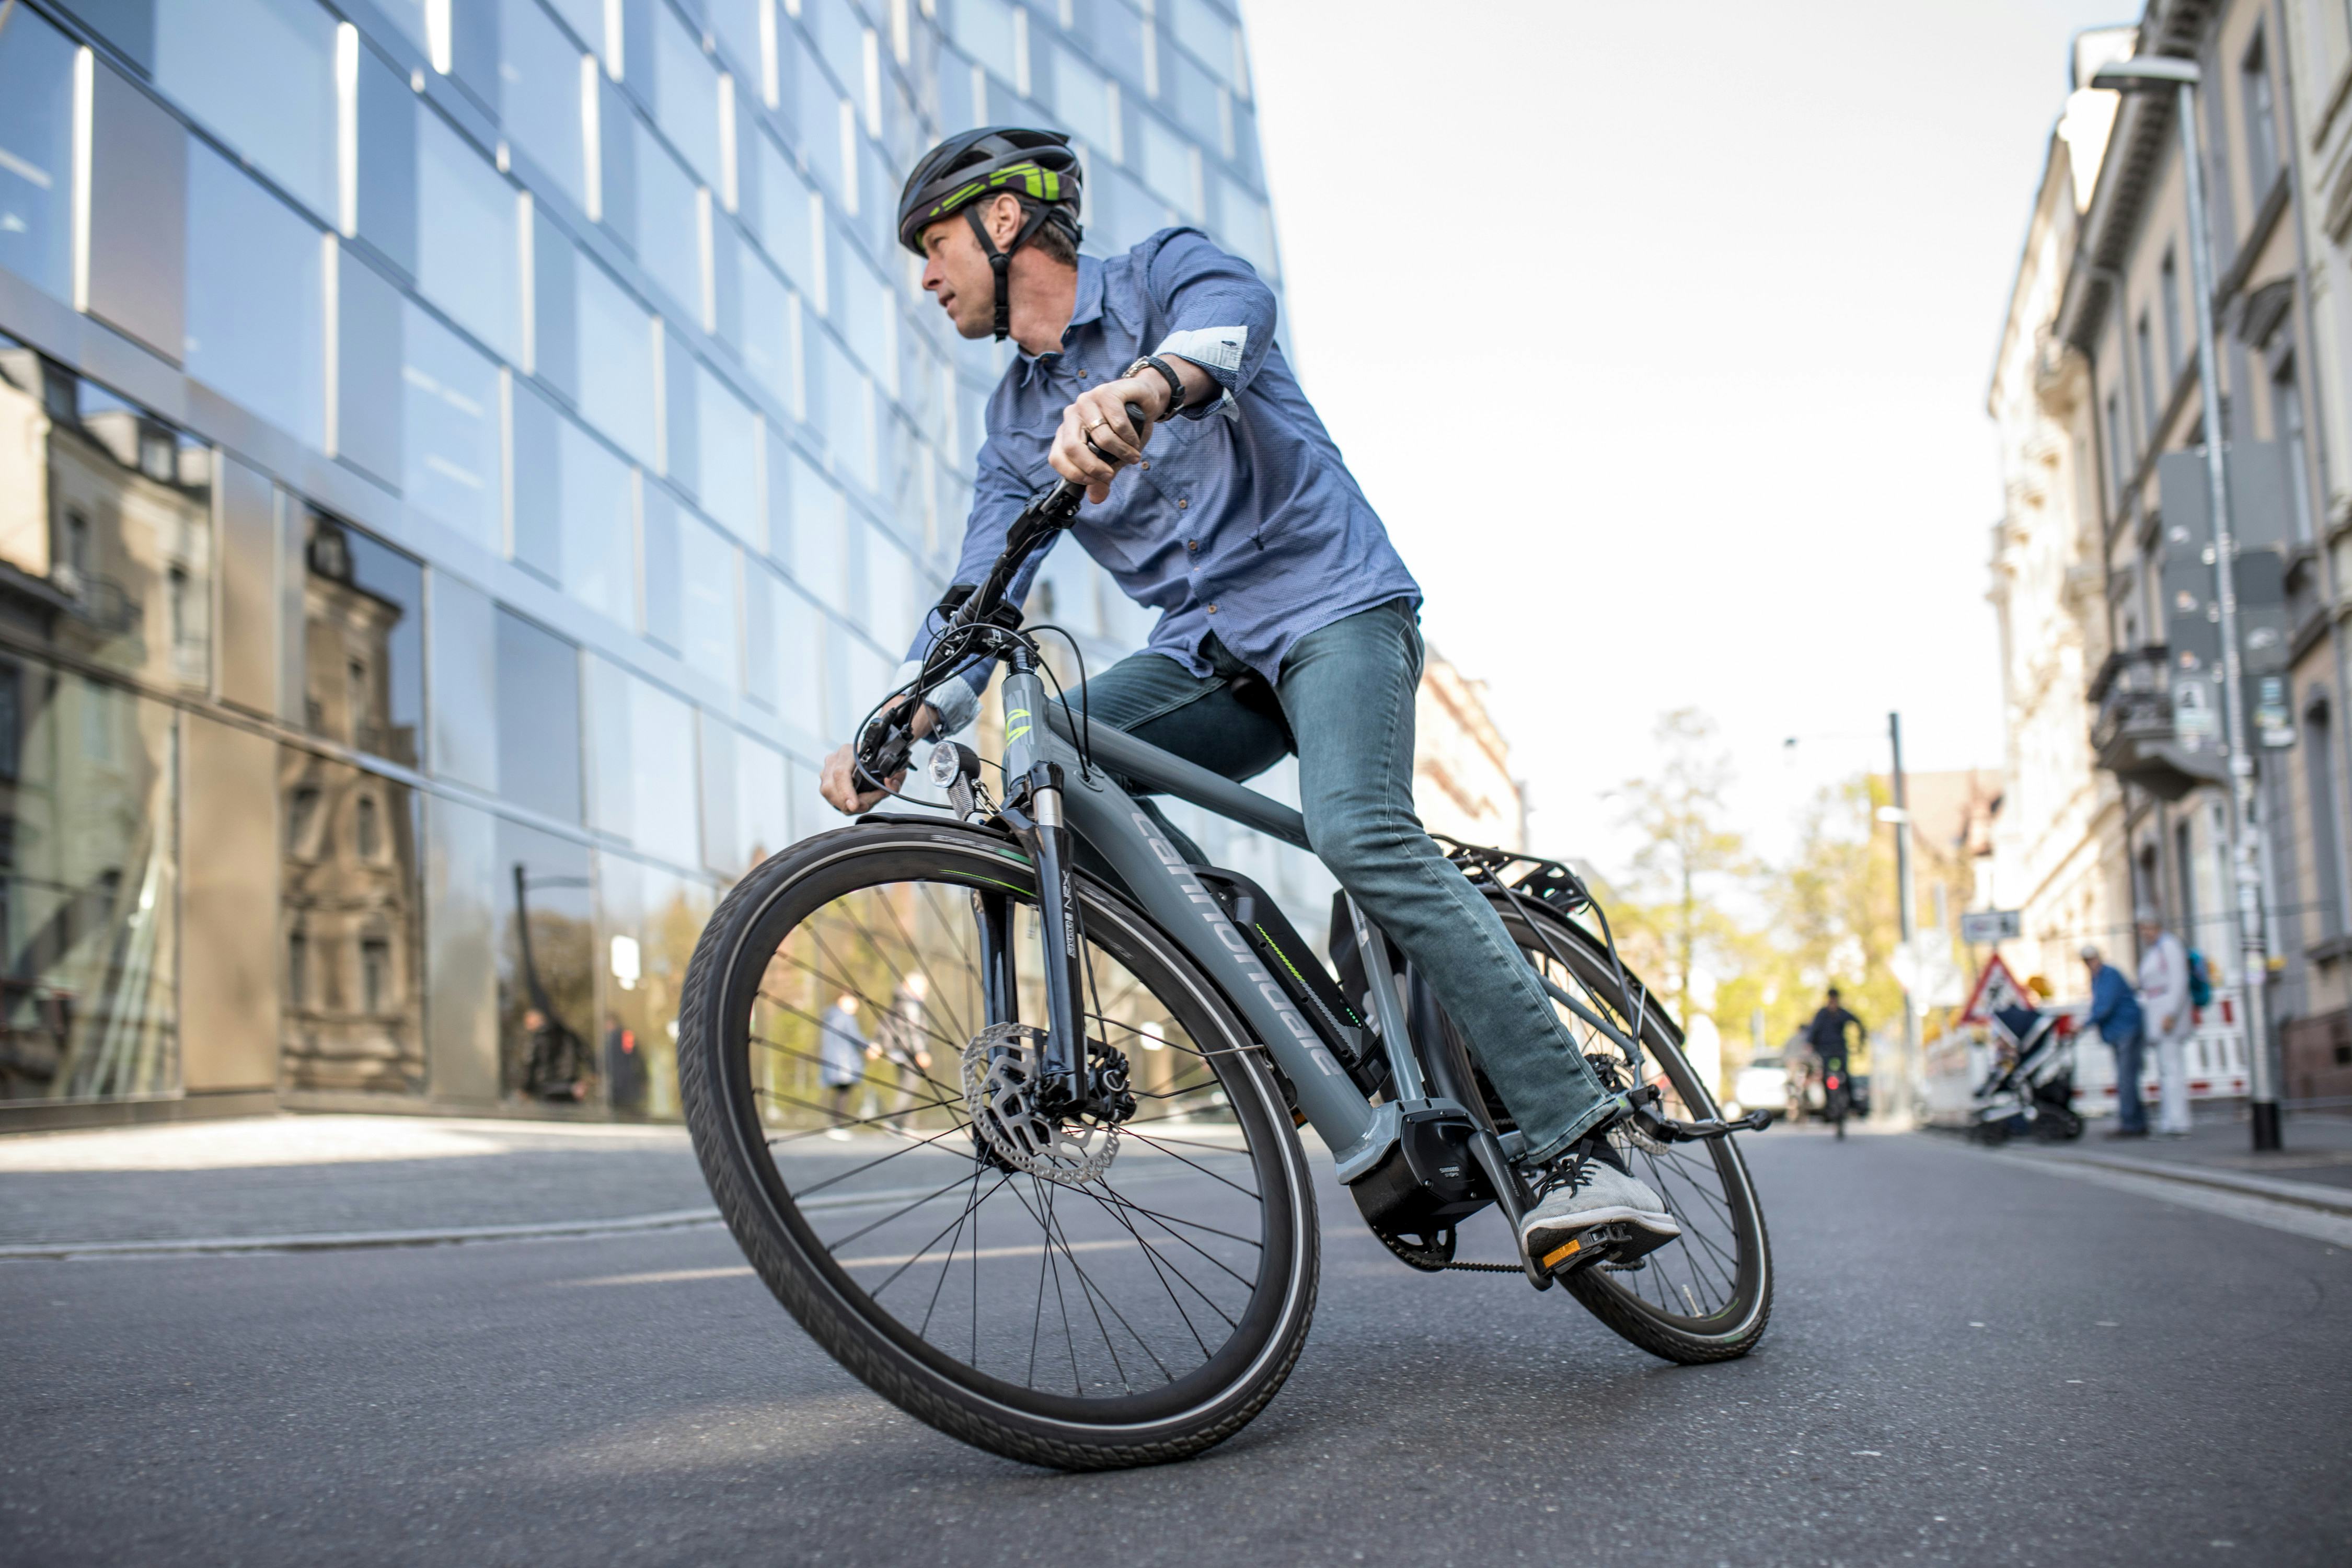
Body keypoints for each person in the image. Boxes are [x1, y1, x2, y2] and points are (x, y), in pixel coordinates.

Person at [818, 126, 1668, 1265]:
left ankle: (1582, 1140)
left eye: (934, 245)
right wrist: (907, 711)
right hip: (1209, 653)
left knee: (1356, 831)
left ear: (1004, 222)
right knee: (1052, 754)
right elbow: (981, 589)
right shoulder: (1014, 425)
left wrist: (1145, 387)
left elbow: (1232, 322)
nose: (926, 276)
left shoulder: (1166, 274)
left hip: (1334, 608)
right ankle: (1271, 988)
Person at [2136, 908, 2195, 1137]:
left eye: (2146, 928)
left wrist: (2171, 1013)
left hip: (2167, 1015)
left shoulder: (2169, 946)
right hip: (2158, 1013)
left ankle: (2178, 1121)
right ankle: (2170, 1119)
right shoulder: (2156, 949)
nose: (2144, 933)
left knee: (2172, 1069)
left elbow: (2179, 980)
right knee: (2166, 1070)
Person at [2082, 942, 2147, 1138]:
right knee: (2127, 1078)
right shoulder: (2098, 978)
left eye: (2092, 959)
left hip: (2126, 1029)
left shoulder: (2109, 975)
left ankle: (2131, 1123)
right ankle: (2136, 1121)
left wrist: (2085, 1024)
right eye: (2087, 961)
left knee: (2126, 1078)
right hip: (2120, 1031)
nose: (2090, 964)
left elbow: (2104, 1006)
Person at [873, 974, 936, 1134]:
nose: (925, 992)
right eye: (922, 988)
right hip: (909, 1052)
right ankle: (895, 1121)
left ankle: (906, 1124)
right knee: (909, 1087)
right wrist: (921, 1052)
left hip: (898, 1051)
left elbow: (885, 1024)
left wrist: (878, 1043)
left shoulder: (898, 1001)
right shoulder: (910, 1005)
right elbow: (913, 1031)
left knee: (908, 1086)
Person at [1804, 988, 1864, 1119]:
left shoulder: (1842, 1014)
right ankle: (1829, 1106)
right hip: (1824, 1050)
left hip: (1840, 1050)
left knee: (1846, 1075)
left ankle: (1851, 1103)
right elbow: (1813, 1029)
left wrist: (1860, 1041)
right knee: (1826, 1077)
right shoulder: (1822, 1014)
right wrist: (1809, 1044)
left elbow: (1858, 1022)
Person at [817, 993, 867, 1140]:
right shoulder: (844, 1018)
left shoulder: (831, 1016)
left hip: (835, 1059)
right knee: (843, 1093)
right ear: (842, 1001)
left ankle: (836, 1125)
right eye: (852, 1001)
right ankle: (837, 1126)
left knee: (841, 1093)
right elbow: (854, 1036)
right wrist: (869, 1047)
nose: (855, 1005)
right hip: (843, 1061)